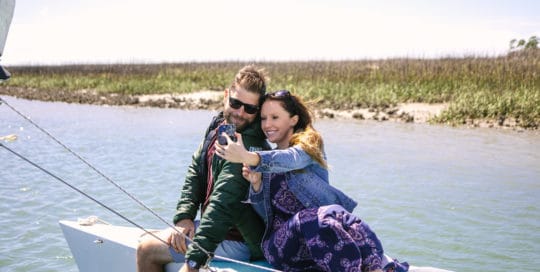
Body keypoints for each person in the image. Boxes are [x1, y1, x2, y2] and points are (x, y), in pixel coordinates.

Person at [215, 90, 409, 272]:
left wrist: (248, 157)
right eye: (264, 118)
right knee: (311, 218)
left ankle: (376, 266)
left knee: (339, 215)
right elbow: (267, 218)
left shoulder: (308, 146)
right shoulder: (262, 157)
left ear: (293, 119)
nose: (267, 125)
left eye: (275, 117)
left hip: (320, 240)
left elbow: (291, 158)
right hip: (281, 247)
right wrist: (256, 185)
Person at [136, 65, 270, 272]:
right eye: (235, 103)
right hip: (219, 230)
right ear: (226, 96)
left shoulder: (246, 143)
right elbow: (196, 172)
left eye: (250, 108)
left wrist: (193, 261)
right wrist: (184, 217)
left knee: (147, 250)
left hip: (239, 241)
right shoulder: (220, 126)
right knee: (146, 236)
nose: (240, 112)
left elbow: (223, 204)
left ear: (258, 110)